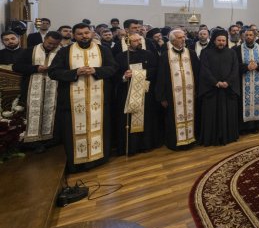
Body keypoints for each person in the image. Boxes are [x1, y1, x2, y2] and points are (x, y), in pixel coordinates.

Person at [48, 23, 117, 172]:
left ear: (91, 33)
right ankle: (77, 163)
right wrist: (75, 72)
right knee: (72, 131)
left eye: (86, 33)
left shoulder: (103, 50)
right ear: (74, 35)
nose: (84, 36)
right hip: (72, 103)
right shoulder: (65, 51)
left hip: (99, 101)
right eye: (80, 34)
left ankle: (99, 158)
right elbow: (53, 72)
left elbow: (113, 69)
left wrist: (95, 71)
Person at [13, 31, 62, 151]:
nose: (51, 46)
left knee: (52, 114)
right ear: (45, 39)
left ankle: (48, 140)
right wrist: (36, 68)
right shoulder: (31, 50)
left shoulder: (62, 52)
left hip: (54, 91)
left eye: (55, 44)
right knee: (31, 114)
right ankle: (31, 142)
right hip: (30, 89)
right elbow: (16, 66)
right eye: (49, 43)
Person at [113, 33, 159, 155]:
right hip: (127, 92)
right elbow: (115, 74)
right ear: (128, 42)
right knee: (128, 119)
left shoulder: (149, 54)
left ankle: (146, 144)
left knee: (146, 119)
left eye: (140, 40)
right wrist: (124, 76)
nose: (139, 42)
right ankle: (131, 147)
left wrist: (138, 73)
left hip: (145, 92)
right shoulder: (120, 56)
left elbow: (155, 70)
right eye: (135, 41)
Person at [154, 29, 199, 150]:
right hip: (171, 94)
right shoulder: (165, 56)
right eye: (180, 38)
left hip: (190, 94)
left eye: (184, 37)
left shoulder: (191, 54)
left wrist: (197, 90)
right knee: (172, 118)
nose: (183, 39)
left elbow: (197, 73)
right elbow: (160, 77)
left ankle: (190, 140)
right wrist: (162, 97)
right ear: (172, 41)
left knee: (192, 115)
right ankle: (175, 142)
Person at [198, 29, 240, 145]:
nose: (221, 43)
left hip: (228, 90)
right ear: (214, 40)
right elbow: (204, 70)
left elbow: (235, 69)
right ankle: (212, 138)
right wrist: (215, 82)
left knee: (228, 114)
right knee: (212, 116)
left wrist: (228, 82)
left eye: (223, 40)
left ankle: (229, 136)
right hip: (211, 90)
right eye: (219, 40)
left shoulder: (232, 52)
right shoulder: (206, 52)